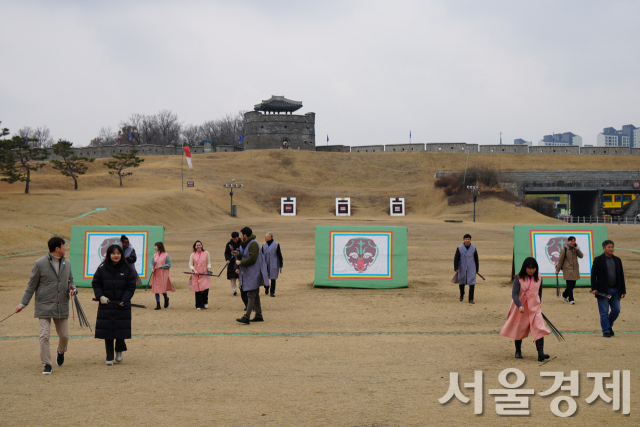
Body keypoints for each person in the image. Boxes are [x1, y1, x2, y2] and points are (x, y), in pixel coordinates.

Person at [15, 237, 77, 375]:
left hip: (62, 304)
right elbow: (31, 285)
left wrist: (73, 289)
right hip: (43, 305)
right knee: (44, 336)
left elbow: (71, 281)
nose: (65, 248)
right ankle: (47, 364)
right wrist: (23, 303)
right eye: (63, 246)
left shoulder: (67, 264)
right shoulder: (39, 264)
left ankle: (61, 351)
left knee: (64, 336)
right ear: (57, 248)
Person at [92, 244, 137, 365]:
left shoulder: (127, 269)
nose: (116, 255)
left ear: (121, 255)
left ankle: (119, 349)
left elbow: (131, 286)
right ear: (109, 255)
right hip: (106, 304)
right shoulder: (101, 269)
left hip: (122, 304)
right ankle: (109, 356)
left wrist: (125, 299)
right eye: (113, 253)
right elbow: (96, 284)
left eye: (118, 253)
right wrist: (100, 296)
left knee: (120, 329)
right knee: (107, 331)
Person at [500, 257, 551, 361]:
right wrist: (519, 305)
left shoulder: (539, 277)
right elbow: (514, 294)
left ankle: (540, 353)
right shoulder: (518, 279)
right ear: (525, 268)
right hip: (521, 307)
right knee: (519, 328)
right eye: (529, 268)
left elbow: (539, 292)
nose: (531, 270)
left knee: (539, 327)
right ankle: (518, 351)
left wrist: (538, 305)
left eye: (533, 268)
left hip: (534, 307)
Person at [591, 240, 626, 338]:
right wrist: (594, 288)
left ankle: (609, 325)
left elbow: (621, 276)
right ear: (604, 248)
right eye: (609, 247)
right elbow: (593, 275)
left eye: (612, 247)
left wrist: (623, 290)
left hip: (616, 290)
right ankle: (606, 330)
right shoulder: (598, 260)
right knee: (604, 312)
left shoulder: (618, 260)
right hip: (603, 291)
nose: (611, 249)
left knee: (616, 310)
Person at [235, 227, 269, 324]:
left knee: (251, 295)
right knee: (255, 295)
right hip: (252, 274)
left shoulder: (253, 243)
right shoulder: (250, 243)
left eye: (242, 235)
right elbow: (247, 256)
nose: (241, 237)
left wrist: (240, 262)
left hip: (254, 274)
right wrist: (239, 255)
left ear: (245, 235)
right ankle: (258, 315)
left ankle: (246, 317)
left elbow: (252, 259)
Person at [555, 236, 583, 305]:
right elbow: (560, 261)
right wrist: (557, 270)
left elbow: (581, 256)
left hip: (575, 270)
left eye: (574, 241)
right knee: (570, 285)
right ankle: (571, 299)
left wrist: (577, 249)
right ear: (568, 241)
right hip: (567, 270)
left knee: (573, 285)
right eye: (571, 241)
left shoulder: (575, 249)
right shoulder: (564, 249)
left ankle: (564, 295)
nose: (572, 242)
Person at [454, 234, 479, 304]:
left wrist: (476, 269)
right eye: (466, 239)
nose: (467, 240)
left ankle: (471, 299)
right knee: (461, 283)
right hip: (462, 268)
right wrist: (456, 268)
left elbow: (476, 259)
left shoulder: (473, 248)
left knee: (472, 283)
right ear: (463, 240)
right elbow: (456, 258)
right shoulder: (459, 248)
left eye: (468, 239)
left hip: (471, 268)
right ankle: (462, 294)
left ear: (470, 240)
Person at [150, 242, 175, 310]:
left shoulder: (166, 255)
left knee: (162, 288)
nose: (154, 248)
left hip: (163, 274)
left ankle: (166, 298)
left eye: (156, 246)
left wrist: (161, 267)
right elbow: (151, 264)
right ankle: (158, 305)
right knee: (156, 289)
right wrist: (152, 268)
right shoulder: (154, 255)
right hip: (156, 274)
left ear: (159, 247)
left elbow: (169, 264)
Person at [189, 240, 212, 310]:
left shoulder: (206, 253)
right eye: (197, 245)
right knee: (197, 290)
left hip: (204, 273)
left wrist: (209, 269)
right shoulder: (192, 254)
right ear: (195, 247)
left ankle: (205, 303)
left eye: (200, 245)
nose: (199, 246)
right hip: (196, 274)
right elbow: (190, 264)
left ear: (201, 246)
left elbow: (208, 262)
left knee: (205, 288)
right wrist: (194, 270)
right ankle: (199, 305)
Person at [262, 232, 283, 297]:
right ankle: (266, 288)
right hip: (265, 263)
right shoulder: (264, 245)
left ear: (270, 237)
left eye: (266, 237)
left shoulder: (276, 245)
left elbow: (279, 255)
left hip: (274, 263)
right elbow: (261, 255)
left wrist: (281, 264)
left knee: (273, 278)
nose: (265, 238)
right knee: (265, 277)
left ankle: (272, 292)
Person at [225, 232, 242, 297]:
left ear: (238, 237)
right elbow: (226, 253)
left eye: (236, 239)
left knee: (240, 277)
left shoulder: (242, 243)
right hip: (231, 263)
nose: (235, 240)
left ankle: (242, 290)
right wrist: (227, 259)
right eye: (234, 239)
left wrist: (238, 253)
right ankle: (234, 291)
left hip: (240, 262)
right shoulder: (229, 244)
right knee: (232, 278)